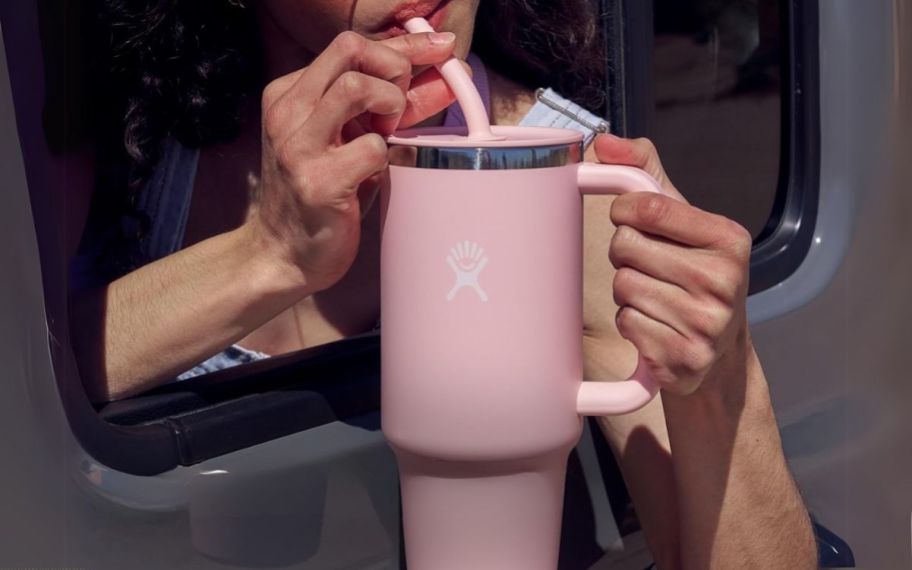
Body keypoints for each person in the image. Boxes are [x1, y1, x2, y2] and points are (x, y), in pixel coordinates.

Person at [66, 0, 817, 567]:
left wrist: (722, 383)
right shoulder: (125, 130)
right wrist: (269, 254)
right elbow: (31, 395)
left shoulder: (569, 188)